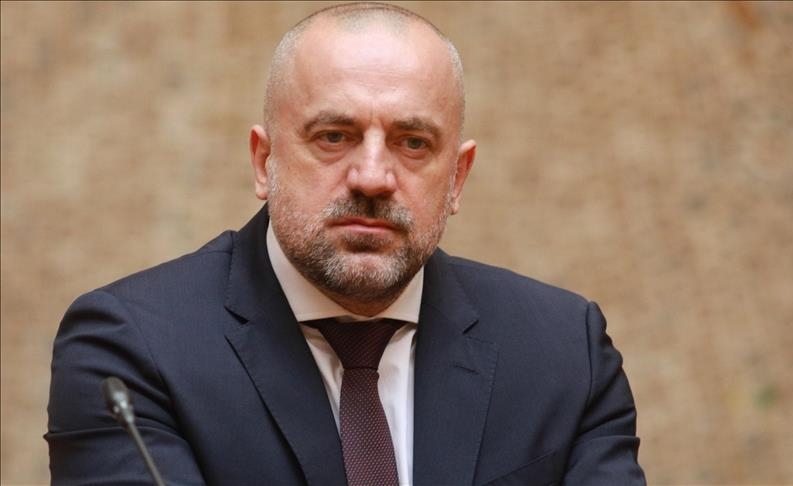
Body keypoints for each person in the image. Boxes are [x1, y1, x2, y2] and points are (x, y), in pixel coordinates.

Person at [46, 3, 646, 485]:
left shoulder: (564, 353)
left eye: (413, 143)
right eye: (334, 136)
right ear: (263, 161)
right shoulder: (131, 349)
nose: (373, 177)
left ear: (457, 179)